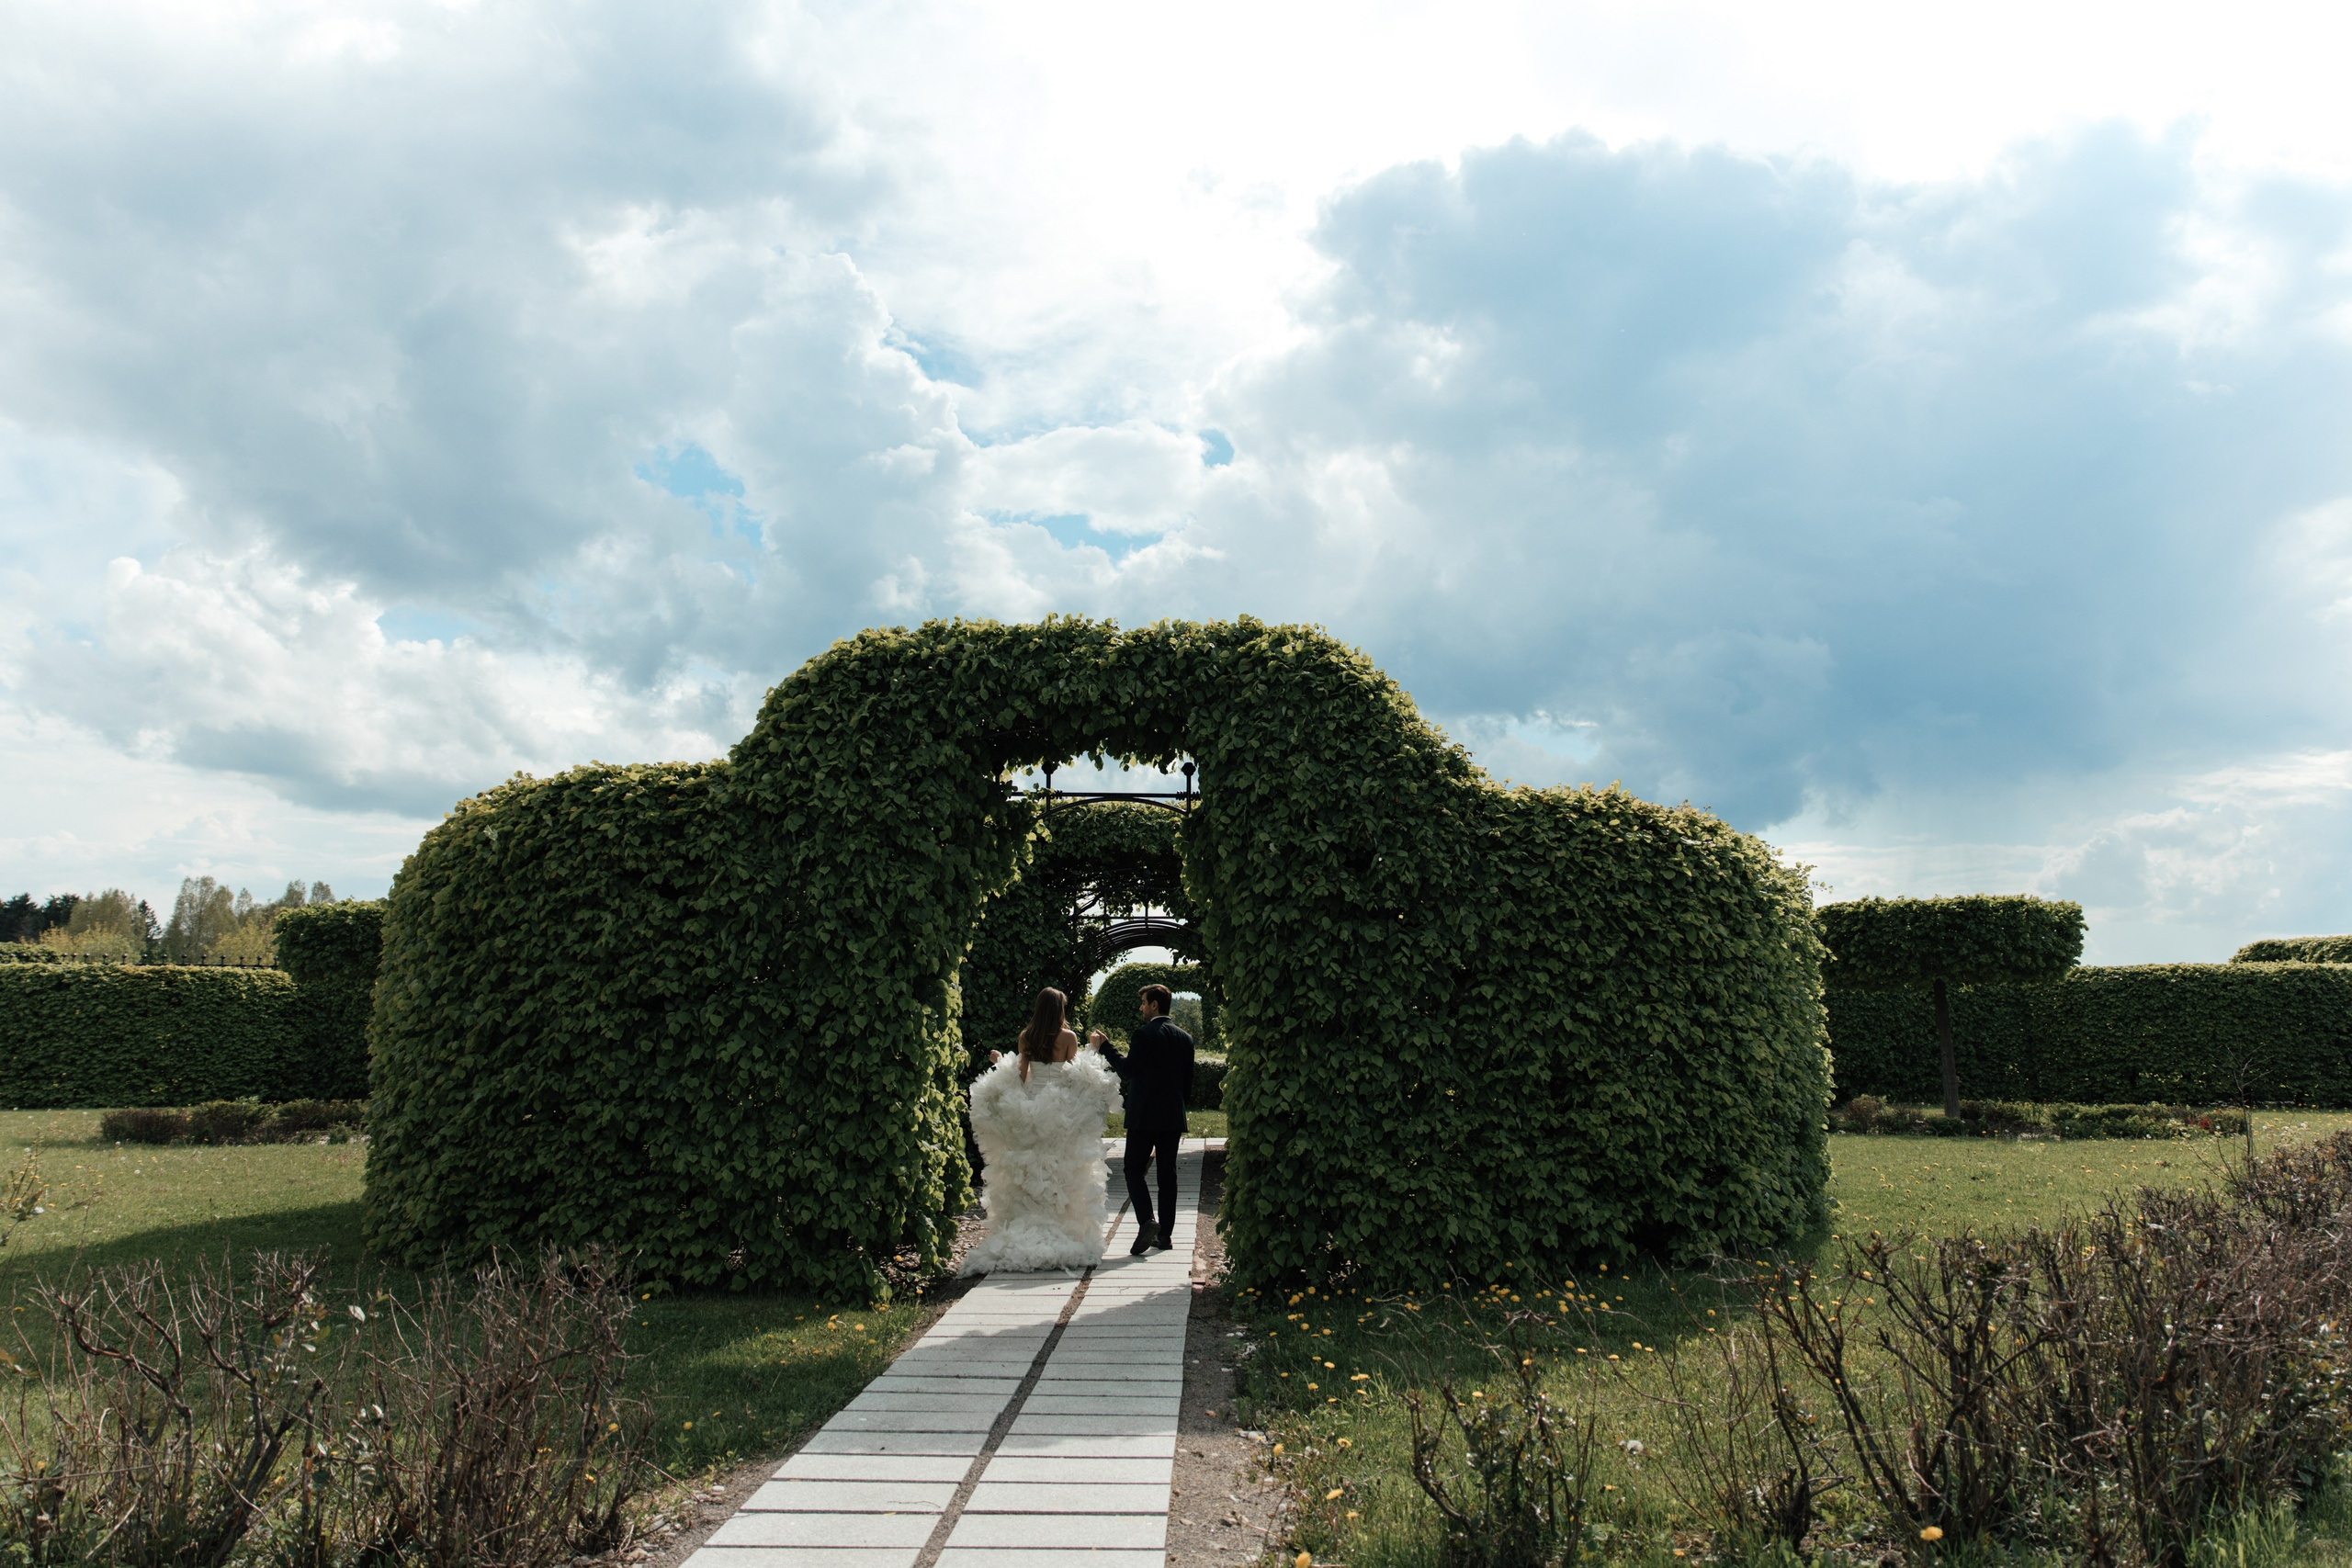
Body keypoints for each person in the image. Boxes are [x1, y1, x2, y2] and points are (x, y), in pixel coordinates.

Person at [960, 986, 1121, 1274]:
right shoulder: (1068, 1037)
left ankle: (1029, 1221)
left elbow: (1020, 1078)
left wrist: (1001, 1066)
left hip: (1031, 1108)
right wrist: (1093, 1052)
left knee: (1029, 1169)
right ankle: (1063, 1226)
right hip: (1060, 1109)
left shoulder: (1026, 1037)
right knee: (1062, 1171)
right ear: (1059, 1010)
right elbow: (1074, 1075)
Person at [1091, 983, 1195, 1257]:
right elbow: (1187, 1085)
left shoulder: (1144, 1034)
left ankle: (1147, 1220)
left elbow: (1129, 1069)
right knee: (1167, 1175)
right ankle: (1165, 1235)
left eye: (1144, 1003)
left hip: (1143, 1117)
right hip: (1172, 1116)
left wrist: (1106, 1047)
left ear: (1154, 1006)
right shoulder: (1186, 1038)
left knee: (1133, 1169)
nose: (1141, 1007)